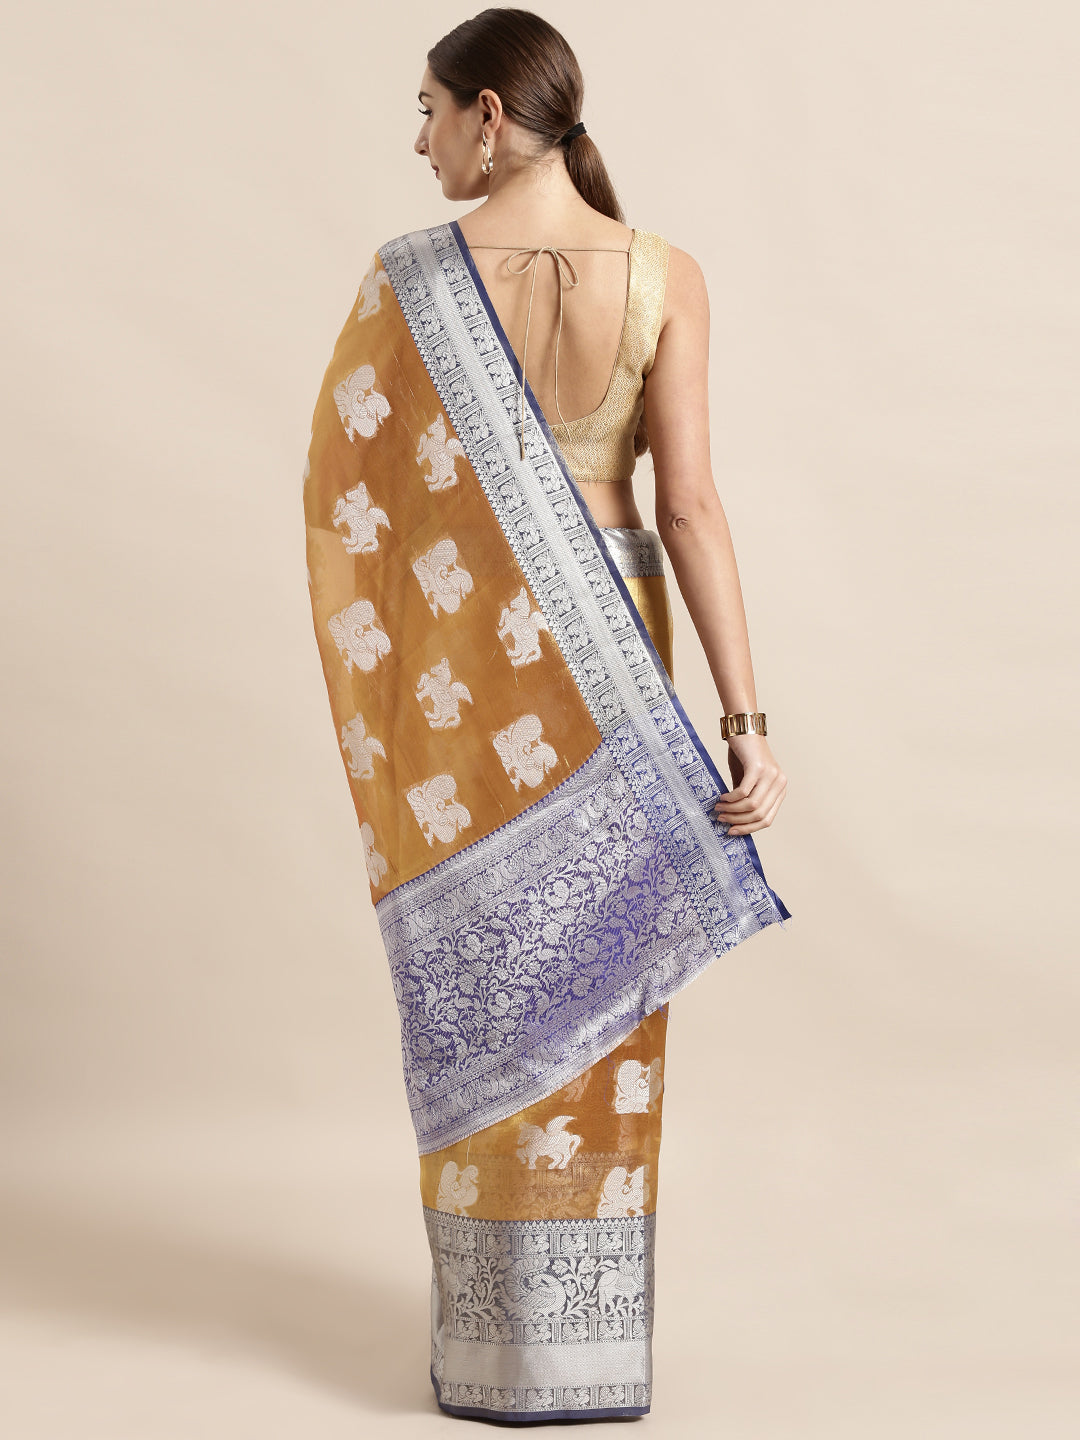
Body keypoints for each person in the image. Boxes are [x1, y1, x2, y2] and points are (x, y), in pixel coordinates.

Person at [303, 7, 789, 1423]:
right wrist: (747, 717)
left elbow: (351, 508)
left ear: (491, 114)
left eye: (430, 109)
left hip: (475, 674)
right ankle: (584, 1352)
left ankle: (495, 1346)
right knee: (596, 983)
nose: (420, 140)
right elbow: (688, 510)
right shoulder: (665, 275)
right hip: (619, 651)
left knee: (492, 976)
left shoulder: (408, 281)